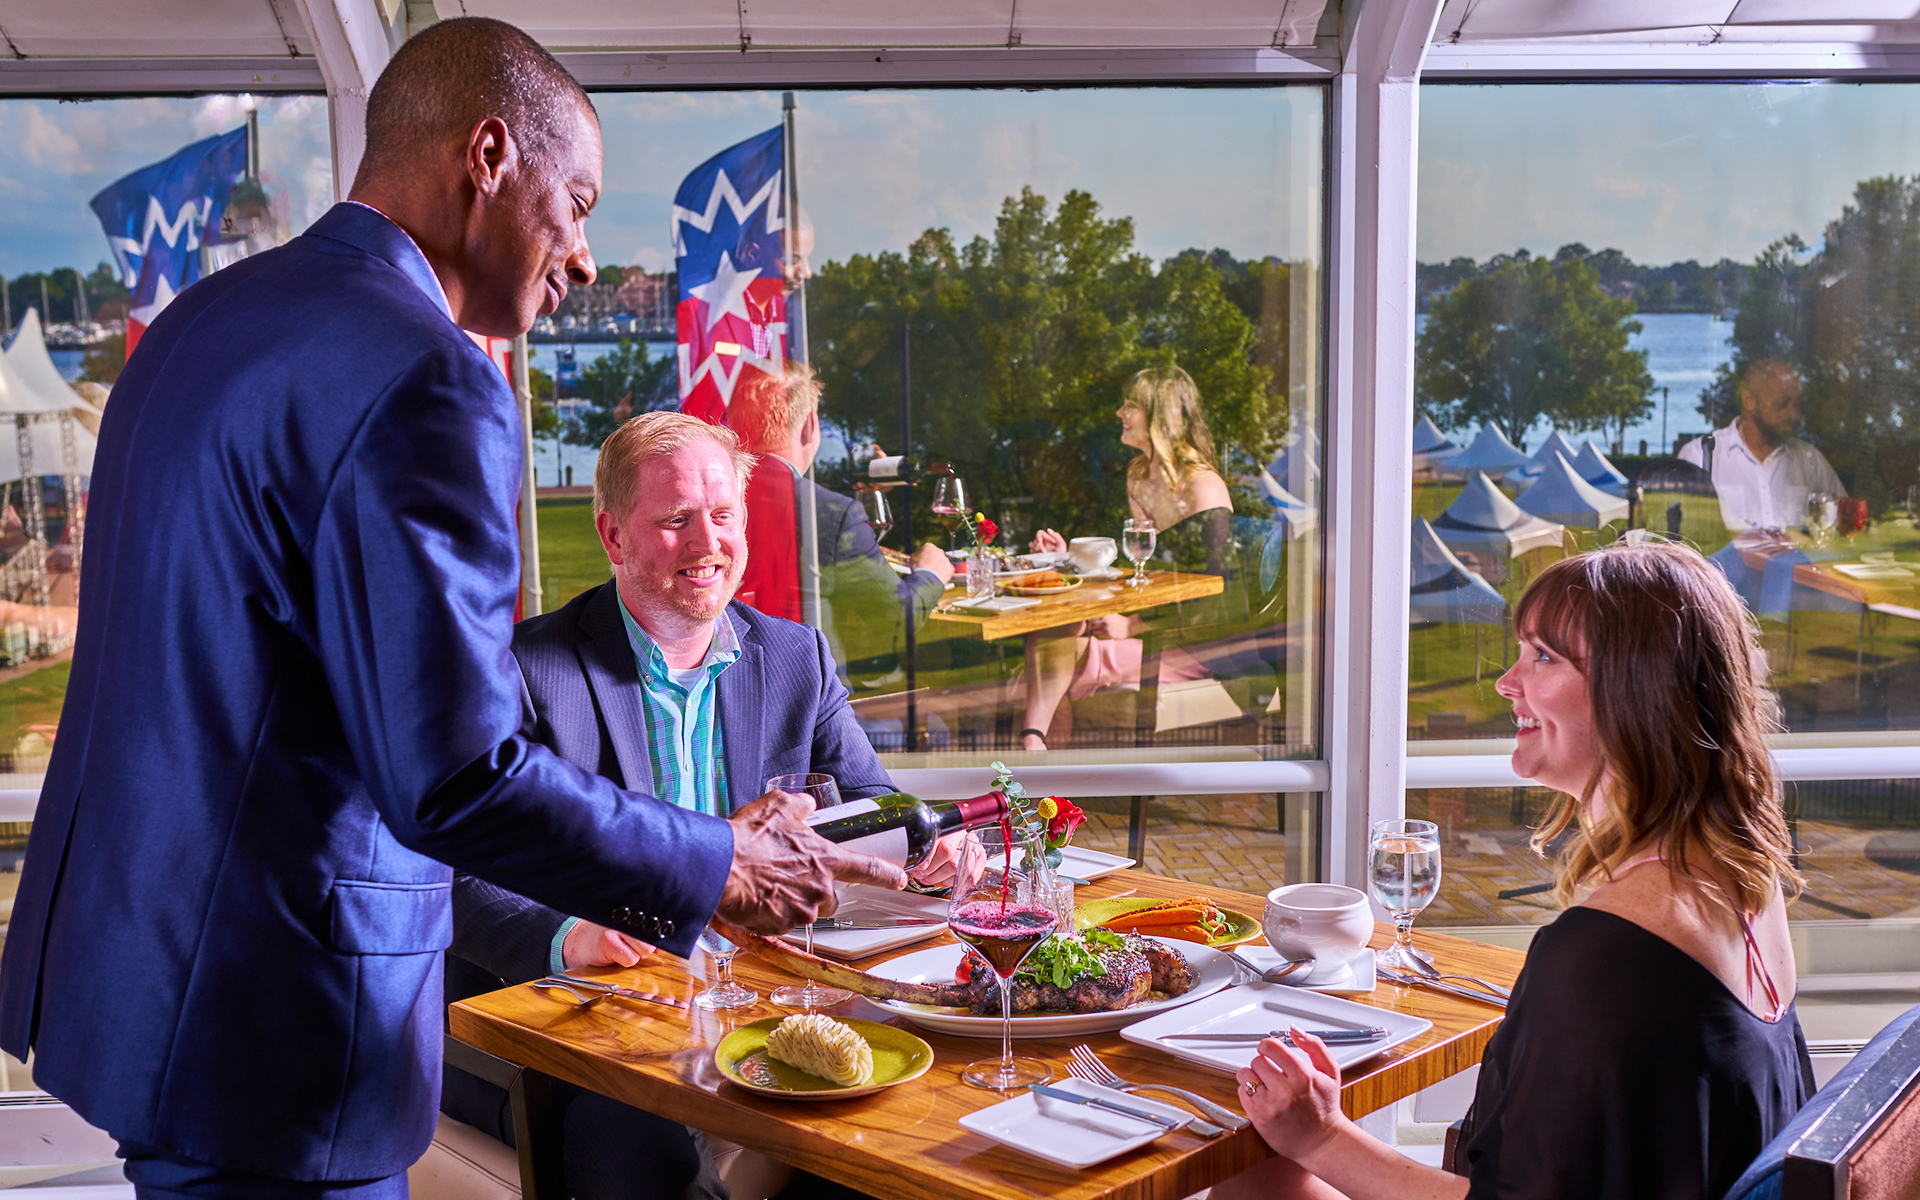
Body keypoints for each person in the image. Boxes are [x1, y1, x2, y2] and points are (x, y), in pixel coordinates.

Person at [0, 20, 902, 1200]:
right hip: (282, 1027)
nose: (585, 257)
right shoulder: (427, 373)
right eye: (577, 203)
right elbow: (456, 773)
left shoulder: (195, 329)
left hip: (138, 980)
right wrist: (717, 858)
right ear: (488, 155)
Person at [444, 410, 975, 1200]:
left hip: (757, 997)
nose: (708, 542)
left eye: (724, 515)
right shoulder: (524, 669)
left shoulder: (794, 657)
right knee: (651, 1152)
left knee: (899, 1135)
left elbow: (870, 805)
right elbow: (447, 864)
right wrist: (569, 937)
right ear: (613, 534)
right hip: (579, 1021)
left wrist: (926, 852)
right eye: (676, 520)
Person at [1215, 541, 1812, 1200]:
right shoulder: (1745, 883)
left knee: (1253, 1171)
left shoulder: (1608, 950)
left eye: (1542, 657)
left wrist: (1322, 1135)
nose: (1507, 682)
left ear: (1637, 690)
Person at [1019, 365, 1232, 751]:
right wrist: (1068, 558)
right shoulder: (1138, 476)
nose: (1120, 412)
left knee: (1048, 656)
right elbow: (1131, 569)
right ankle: (1038, 750)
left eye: (1131, 405)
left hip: (1192, 645)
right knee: (1055, 637)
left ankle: (1035, 745)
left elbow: (1215, 595)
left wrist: (1134, 623)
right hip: (1146, 630)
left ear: (1161, 416)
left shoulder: (1204, 487)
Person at [726, 362, 952, 675]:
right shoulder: (828, 512)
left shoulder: (715, 498)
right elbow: (896, 618)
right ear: (810, 425)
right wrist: (931, 573)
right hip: (808, 692)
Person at [1679, 358, 1844, 531]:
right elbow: (1683, 538)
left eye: (1797, 404)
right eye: (1782, 404)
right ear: (1749, 401)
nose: (1794, 414)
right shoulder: (1700, 456)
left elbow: (1846, 520)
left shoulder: (1810, 460)